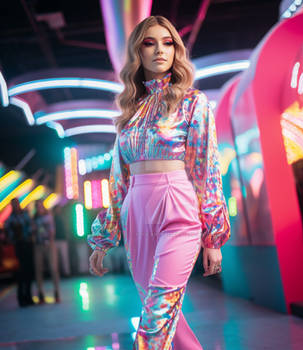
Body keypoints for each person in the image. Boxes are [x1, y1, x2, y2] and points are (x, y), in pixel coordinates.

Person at [87, 16, 230, 349]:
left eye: (167, 42)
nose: (160, 50)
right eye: (150, 43)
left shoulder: (194, 102)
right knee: (169, 322)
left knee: (154, 321)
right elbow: (118, 180)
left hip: (178, 207)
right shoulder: (129, 113)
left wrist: (213, 237)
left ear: (176, 50)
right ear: (138, 51)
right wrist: (104, 239)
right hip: (136, 211)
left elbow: (206, 169)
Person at [5, 198, 35, 307]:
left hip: (27, 244)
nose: (16, 206)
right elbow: (7, 233)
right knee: (20, 273)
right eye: (14, 204)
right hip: (18, 246)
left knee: (29, 272)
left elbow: (32, 227)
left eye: (17, 204)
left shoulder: (24, 215)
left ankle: (28, 296)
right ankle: (21, 298)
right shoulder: (11, 219)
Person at [33, 200, 61, 303]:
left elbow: (52, 231)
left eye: (40, 206)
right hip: (38, 245)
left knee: (53, 268)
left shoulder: (48, 217)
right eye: (37, 206)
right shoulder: (34, 219)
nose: (39, 208)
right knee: (38, 269)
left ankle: (56, 292)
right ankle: (40, 293)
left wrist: (49, 241)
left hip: (49, 245)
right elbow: (33, 232)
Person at [53, 205, 71, 277]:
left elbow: (66, 228)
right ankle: (58, 273)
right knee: (57, 258)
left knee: (64, 257)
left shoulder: (63, 218)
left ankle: (66, 272)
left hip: (62, 239)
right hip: (55, 240)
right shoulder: (53, 218)